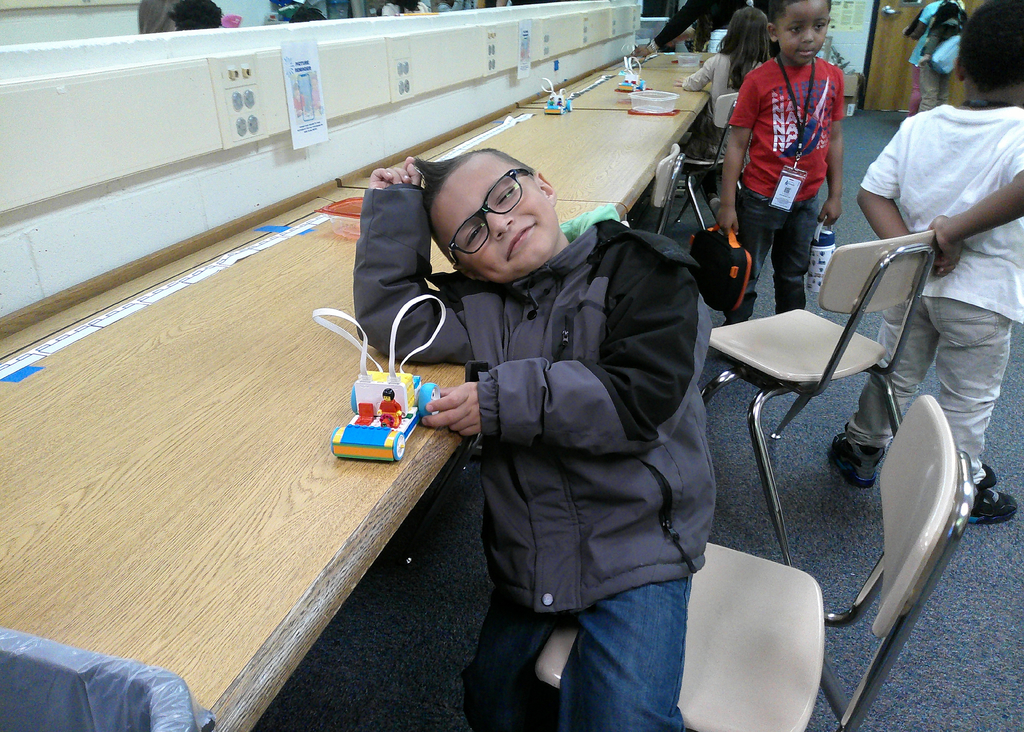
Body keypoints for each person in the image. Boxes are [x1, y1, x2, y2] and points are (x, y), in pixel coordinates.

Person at [353, 149, 716, 731]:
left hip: (637, 542)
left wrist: (500, 401)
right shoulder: (482, 306)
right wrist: (396, 205)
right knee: (493, 702)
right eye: (472, 232)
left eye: (504, 194)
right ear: (467, 268)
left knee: (623, 719)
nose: (499, 224)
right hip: (537, 551)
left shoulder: (643, 268)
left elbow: (642, 399)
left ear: (544, 186)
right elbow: (395, 321)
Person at [830, 0, 1024, 525]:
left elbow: (871, 192)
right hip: (981, 299)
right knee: (968, 399)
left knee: (892, 374)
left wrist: (918, 250)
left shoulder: (922, 125)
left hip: (911, 285)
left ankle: (861, 448)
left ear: (957, 67)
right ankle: (955, 484)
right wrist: (953, 233)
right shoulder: (1019, 129)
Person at [716, 0, 844, 323]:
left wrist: (836, 194)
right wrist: (728, 204)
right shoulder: (758, 81)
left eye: (819, 26)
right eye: (796, 29)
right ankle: (735, 335)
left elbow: (835, 138)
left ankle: (789, 333)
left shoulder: (833, 77)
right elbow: (737, 145)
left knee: (792, 274)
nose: (809, 37)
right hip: (760, 199)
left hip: (807, 199)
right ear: (773, 32)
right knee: (747, 271)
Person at [674, 5, 771, 207]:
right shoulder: (766, 70)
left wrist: (684, 82)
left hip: (711, 146)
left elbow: (693, 84)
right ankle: (737, 197)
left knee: (695, 131)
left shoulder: (717, 60)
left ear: (731, 32)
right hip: (749, 148)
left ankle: (712, 195)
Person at [634, 0, 769, 57]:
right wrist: (692, 32)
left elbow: (687, 14)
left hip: (763, 37)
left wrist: (652, 47)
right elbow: (727, 10)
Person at [903, 0, 967, 115]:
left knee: (925, 93)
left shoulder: (933, 9)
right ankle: (939, 120)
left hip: (929, 58)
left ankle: (917, 120)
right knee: (943, 94)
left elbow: (927, 35)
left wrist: (926, 55)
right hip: (947, 61)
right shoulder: (959, 11)